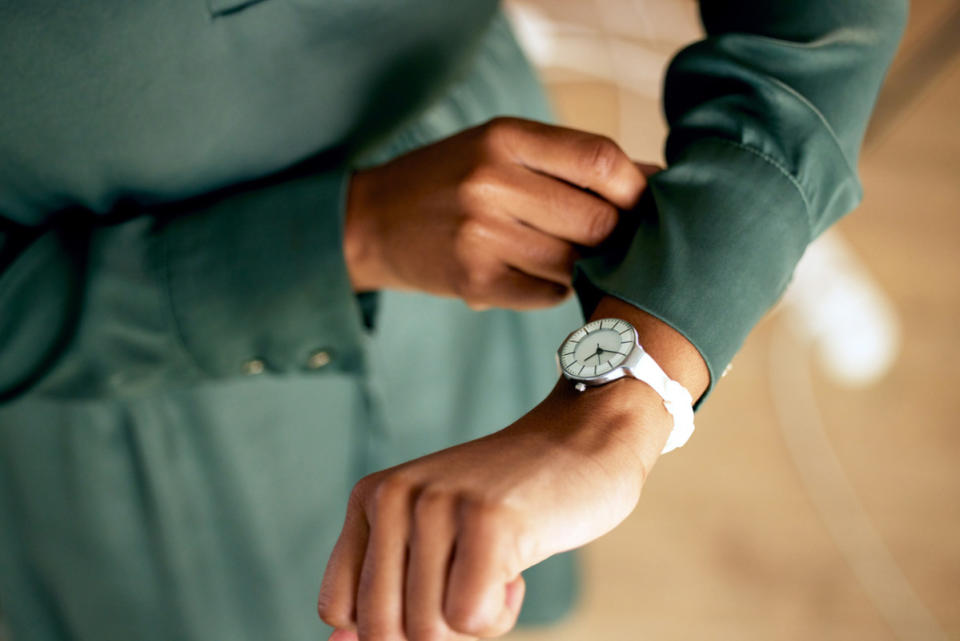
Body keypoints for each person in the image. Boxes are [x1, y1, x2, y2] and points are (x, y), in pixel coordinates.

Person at [0, 1, 905, 640]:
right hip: (114, 377)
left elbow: (815, 24)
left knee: (476, 570)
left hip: (490, 225)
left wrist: (616, 407)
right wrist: (347, 235)